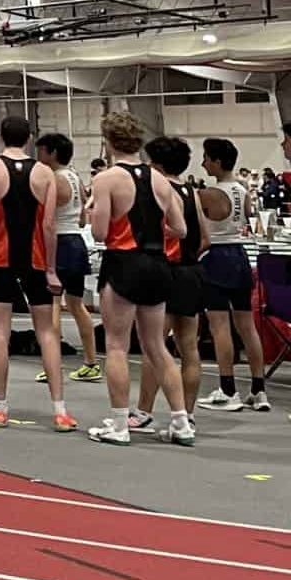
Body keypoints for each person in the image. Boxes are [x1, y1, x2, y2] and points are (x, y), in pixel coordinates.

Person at [88, 113, 192, 447]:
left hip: (124, 263)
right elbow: (182, 229)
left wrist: (94, 212)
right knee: (157, 346)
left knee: (117, 345)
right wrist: (153, 229)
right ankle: (181, 422)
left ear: (108, 142)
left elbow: (100, 232)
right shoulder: (160, 180)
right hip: (158, 264)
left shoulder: (107, 179)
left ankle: (119, 424)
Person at [0, 116, 73, 432]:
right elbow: (49, 226)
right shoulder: (45, 173)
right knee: (47, 332)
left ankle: (0, 408)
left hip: (1, 259)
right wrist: (52, 269)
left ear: (1, 138)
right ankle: (60, 411)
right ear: (30, 138)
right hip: (36, 260)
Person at [131, 136, 208, 431]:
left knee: (154, 346)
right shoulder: (192, 192)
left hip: (166, 272)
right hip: (192, 272)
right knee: (189, 347)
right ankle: (187, 415)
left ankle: (143, 411)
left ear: (158, 165)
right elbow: (204, 239)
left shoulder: (158, 191)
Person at [197, 137, 270, 412]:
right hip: (239, 256)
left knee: (220, 328)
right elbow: (248, 216)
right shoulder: (242, 190)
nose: (203, 163)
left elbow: (200, 230)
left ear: (216, 161)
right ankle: (258, 390)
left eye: (206, 158)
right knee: (247, 326)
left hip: (216, 258)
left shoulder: (209, 194)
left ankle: (228, 390)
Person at [34, 133, 102, 387]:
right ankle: (91, 363)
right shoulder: (75, 177)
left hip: (60, 244)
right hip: (76, 242)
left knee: (53, 304)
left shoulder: (54, 179)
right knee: (75, 305)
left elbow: (46, 220)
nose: (38, 156)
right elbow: (84, 218)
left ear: (51, 153)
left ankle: (53, 365)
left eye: (41, 151)